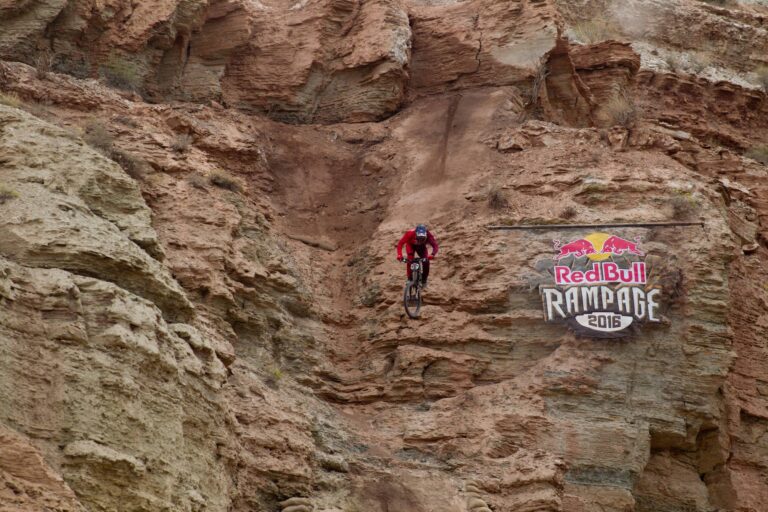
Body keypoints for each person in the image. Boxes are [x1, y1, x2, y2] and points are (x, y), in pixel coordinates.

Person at [396, 224, 438, 288]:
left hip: (421, 247)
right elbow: (400, 244)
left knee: (426, 262)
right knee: (410, 260)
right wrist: (399, 255)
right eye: (419, 238)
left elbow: (435, 245)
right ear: (416, 234)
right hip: (410, 245)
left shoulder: (428, 234)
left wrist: (433, 254)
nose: (420, 240)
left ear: (426, 235)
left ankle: (424, 279)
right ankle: (409, 278)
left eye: (423, 239)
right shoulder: (410, 233)